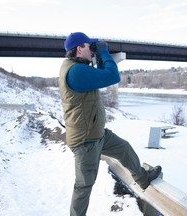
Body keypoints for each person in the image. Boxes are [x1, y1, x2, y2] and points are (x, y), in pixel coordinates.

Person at [59, 32, 162, 216]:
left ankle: (143, 180)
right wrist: (104, 53)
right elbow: (112, 76)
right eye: (89, 46)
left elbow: (101, 75)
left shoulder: (79, 67)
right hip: (86, 141)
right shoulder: (76, 71)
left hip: (97, 134)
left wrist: (98, 56)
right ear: (78, 49)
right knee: (83, 186)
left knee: (124, 149)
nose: (92, 49)